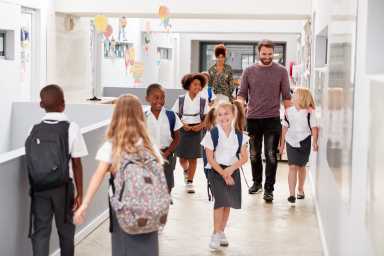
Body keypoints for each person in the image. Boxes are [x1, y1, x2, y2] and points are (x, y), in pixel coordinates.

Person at [74, 95, 164, 256]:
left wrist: (84, 205)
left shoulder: (112, 147)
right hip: (151, 209)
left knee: (124, 249)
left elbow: (98, 176)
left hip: (124, 210)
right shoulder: (149, 145)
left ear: (116, 116)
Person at [25, 84, 88, 256]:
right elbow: (76, 164)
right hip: (63, 188)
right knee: (66, 232)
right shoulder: (71, 128)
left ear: (41, 105)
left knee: (41, 233)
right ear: (63, 103)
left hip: (39, 189)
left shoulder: (33, 129)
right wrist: (80, 193)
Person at [237, 39, 291, 202]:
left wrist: (293, 118)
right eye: (264, 54)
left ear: (273, 53)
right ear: (258, 53)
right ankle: (257, 183)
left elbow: (287, 97)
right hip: (253, 118)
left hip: (272, 119)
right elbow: (242, 94)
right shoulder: (248, 71)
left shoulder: (281, 71)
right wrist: (238, 106)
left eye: (270, 54)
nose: (267, 57)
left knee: (271, 155)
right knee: (254, 154)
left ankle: (269, 189)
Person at [201, 101, 249, 250]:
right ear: (216, 117)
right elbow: (210, 159)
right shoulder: (212, 134)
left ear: (233, 115)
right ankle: (215, 234)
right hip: (216, 171)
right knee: (220, 201)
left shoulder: (241, 136)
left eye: (226, 113)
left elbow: (244, 158)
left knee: (228, 203)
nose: (223, 117)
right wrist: (223, 173)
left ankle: (222, 231)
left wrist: (230, 170)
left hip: (232, 170)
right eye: (220, 115)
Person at [279, 88, 319, 206]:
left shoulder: (310, 112)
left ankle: (300, 189)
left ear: (302, 98)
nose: (293, 96)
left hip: (304, 141)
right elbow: (284, 128)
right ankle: (291, 194)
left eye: (295, 95)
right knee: (292, 167)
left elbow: (314, 128)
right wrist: (281, 145)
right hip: (291, 141)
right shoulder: (288, 111)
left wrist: (314, 141)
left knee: (301, 167)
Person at [145, 83, 182, 200]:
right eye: (156, 97)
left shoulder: (171, 116)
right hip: (148, 157)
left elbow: (177, 138)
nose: (160, 100)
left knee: (167, 185)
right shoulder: (143, 117)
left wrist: (166, 154)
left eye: (162, 97)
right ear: (147, 98)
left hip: (167, 156)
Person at [172, 73, 208, 193]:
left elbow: (207, 117)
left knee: (193, 158)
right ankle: (186, 170)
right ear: (188, 85)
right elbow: (174, 115)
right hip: (183, 130)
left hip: (197, 131)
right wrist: (183, 125)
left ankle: (190, 182)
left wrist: (201, 126)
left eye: (200, 85)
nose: (198, 87)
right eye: (195, 84)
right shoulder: (181, 99)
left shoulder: (203, 101)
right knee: (182, 158)